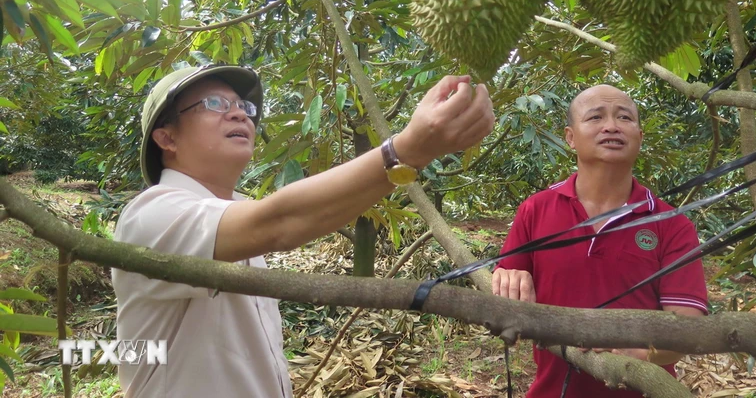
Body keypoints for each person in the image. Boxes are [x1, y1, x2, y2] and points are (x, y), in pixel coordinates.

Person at [112, 64, 494, 398]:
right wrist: (407, 149)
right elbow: (281, 222)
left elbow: (296, 216)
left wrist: (412, 155)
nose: (239, 115)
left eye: (244, 107)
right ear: (168, 138)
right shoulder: (152, 214)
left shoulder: (237, 217)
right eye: (214, 104)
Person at [492, 84, 707, 398]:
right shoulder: (535, 210)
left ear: (639, 137)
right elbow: (507, 300)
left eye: (624, 118)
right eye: (595, 117)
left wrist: (636, 354)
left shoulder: (671, 224)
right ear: (570, 137)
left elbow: (686, 329)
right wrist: (508, 278)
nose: (612, 126)